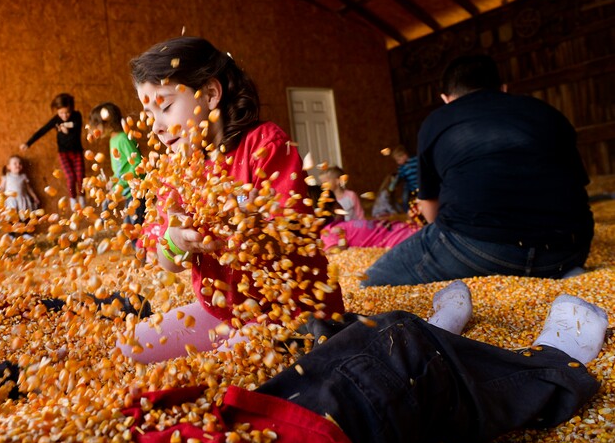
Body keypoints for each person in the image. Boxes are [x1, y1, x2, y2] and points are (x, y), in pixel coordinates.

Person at [124, 282, 609, 443]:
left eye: (162, 103)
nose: (155, 119)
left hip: (217, 421)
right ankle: (555, 362)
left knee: (311, 333)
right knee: (403, 345)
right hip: (302, 441)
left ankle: (438, 332)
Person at [116, 36, 345, 364]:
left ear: (210, 94)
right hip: (224, 312)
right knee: (130, 346)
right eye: (148, 114)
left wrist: (253, 225)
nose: (157, 127)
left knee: (228, 365)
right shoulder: (174, 170)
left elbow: (295, 232)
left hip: (294, 313)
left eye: (165, 107)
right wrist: (177, 238)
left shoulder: (263, 143)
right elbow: (164, 260)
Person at [362, 54, 594, 287]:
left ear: (446, 98)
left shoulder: (436, 121)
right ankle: (563, 276)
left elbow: (431, 211)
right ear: (503, 89)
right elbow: (578, 185)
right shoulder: (547, 112)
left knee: (369, 282)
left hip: (478, 249)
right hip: (570, 247)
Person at [19, 93, 86, 210]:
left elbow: (76, 125)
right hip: (64, 154)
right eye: (61, 113)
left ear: (72, 109)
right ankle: (73, 199)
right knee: (71, 178)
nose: (64, 115)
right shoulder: (56, 120)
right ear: (57, 111)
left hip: (77, 152)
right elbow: (42, 131)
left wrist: (65, 127)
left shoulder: (76, 116)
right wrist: (28, 143)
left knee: (80, 177)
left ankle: (82, 198)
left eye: (67, 113)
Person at [87, 102, 145, 226]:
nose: (94, 129)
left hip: (137, 192)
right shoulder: (113, 140)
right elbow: (121, 169)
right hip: (129, 192)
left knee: (135, 229)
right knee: (128, 227)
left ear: (108, 123)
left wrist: (121, 183)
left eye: (97, 124)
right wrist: (113, 181)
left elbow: (138, 164)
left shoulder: (123, 138)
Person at [0, 155, 40, 220]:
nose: (18, 165)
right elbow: (2, 187)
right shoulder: (7, 176)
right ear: (9, 167)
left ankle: (23, 227)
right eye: (15, 163)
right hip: (11, 200)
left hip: (22, 200)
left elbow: (29, 188)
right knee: (11, 217)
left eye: (20, 163)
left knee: (23, 217)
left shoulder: (23, 176)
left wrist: (34, 197)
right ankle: (12, 229)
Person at [388, 145, 419, 212]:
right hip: (410, 186)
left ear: (404, 156)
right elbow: (399, 176)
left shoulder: (415, 160)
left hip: (419, 184)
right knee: (405, 197)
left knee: (421, 198)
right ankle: (407, 211)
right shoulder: (401, 167)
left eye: (398, 160)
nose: (397, 162)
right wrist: (392, 186)